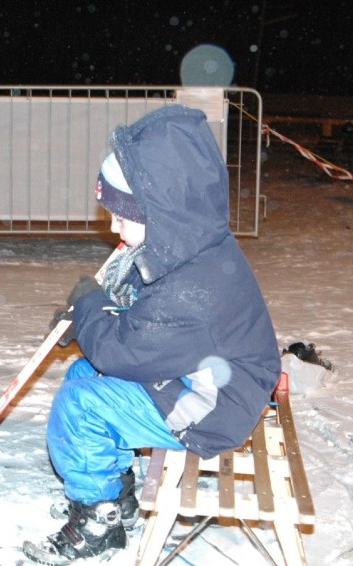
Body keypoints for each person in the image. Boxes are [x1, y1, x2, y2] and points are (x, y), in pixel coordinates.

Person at [23, 105, 281, 565]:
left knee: (81, 405)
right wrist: (90, 316)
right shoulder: (192, 247)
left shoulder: (192, 289)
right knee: (84, 373)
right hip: (205, 378)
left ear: (161, 214)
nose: (114, 227)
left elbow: (123, 352)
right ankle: (115, 491)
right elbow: (142, 325)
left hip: (213, 408)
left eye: (122, 216)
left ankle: (98, 520)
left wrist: (89, 310)